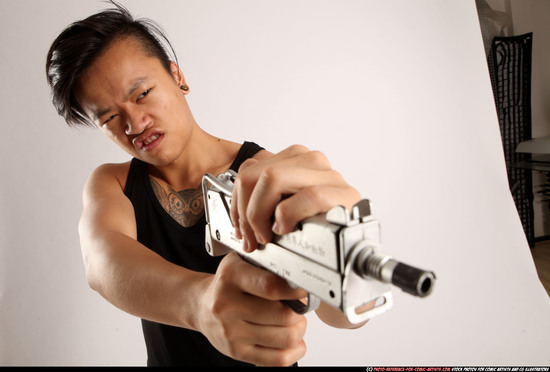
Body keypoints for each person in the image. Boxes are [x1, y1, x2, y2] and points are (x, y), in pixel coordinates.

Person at [46, 1, 366, 366]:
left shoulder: (265, 174)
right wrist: (200, 305)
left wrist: (344, 254)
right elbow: (103, 264)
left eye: (142, 94)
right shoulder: (113, 183)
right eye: (110, 118)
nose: (134, 125)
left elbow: (342, 314)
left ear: (177, 76)